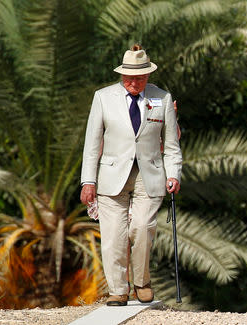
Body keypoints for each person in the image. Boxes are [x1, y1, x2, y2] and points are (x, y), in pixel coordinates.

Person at [80, 44, 182, 306]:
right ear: (121, 74)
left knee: (142, 228)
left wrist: (174, 174)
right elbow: (92, 143)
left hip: (149, 175)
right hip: (111, 177)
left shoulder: (162, 98)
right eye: (128, 77)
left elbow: (171, 145)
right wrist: (88, 181)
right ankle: (118, 290)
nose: (133, 82)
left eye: (138, 77)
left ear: (147, 75)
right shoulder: (103, 97)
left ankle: (142, 282)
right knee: (113, 235)